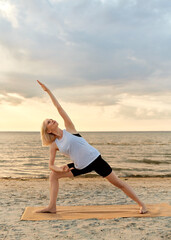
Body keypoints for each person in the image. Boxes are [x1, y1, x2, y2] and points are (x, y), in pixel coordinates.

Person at [36, 80, 147, 214]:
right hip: (80, 166)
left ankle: (142, 205)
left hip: (95, 160)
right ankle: (52, 206)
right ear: (48, 130)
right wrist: (59, 168)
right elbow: (50, 165)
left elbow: (59, 108)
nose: (52, 120)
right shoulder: (55, 145)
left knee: (118, 183)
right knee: (53, 175)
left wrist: (48, 91)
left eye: (51, 119)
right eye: (49, 122)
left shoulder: (69, 129)